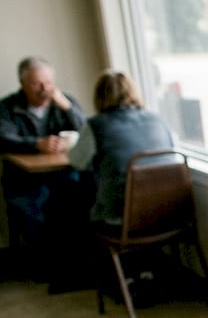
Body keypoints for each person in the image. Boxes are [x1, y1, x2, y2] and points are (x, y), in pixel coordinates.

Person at [0, 56, 91, 288]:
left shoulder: (63, 101)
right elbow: (2, 139)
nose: (45, 89)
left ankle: (75, 264)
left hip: (61, 174)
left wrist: (65, 106)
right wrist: (36, 144)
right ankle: (46, 265)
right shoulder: (7, 107)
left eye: (49, 82)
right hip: (23, 178)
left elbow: (87, 131)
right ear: (23, 84)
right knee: (29, 209)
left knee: (80, 199)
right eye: (37, 84)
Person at [68, 70, 174, 226]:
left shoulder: (96, 126)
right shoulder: (158, 119)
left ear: (99, 96)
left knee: (77, 185)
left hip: (122, 217)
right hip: (168, 209)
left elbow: (76, 161)